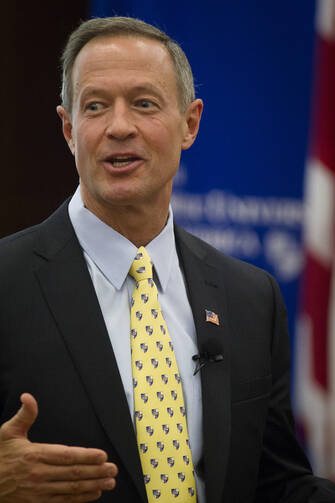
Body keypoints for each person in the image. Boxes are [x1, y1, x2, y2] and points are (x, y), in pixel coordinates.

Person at [0, 16, 334, 503]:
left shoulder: (251, 298)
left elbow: (274, 482)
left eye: (144, 104)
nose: (119, 127)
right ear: (69, 129)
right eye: (95, 106)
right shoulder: (7, 282)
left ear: (190, 124)